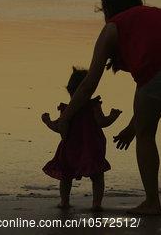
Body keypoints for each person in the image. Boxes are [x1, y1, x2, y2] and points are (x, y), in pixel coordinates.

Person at [45, 0, 161, 217]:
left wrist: (66, 117)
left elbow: (89, 84)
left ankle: (152, 202)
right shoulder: (155, 14)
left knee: (146, 135)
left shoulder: (114, 26)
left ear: (110, 10)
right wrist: (133, 126)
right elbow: (152, 90)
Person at [41, 67, 122, 211]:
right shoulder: (93, 106)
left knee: (66, 176)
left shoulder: (67, 110)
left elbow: (59, 128)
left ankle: (64, 202)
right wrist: (113, 116)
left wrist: (47, 121)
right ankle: (96, 203)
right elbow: (102, 122)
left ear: (69, 90)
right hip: (92, 147)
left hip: (70, 149)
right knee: (97, 176)